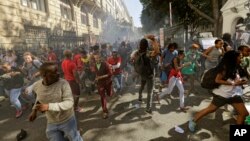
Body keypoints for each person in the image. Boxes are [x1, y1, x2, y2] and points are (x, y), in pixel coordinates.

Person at [188, 50, 249, 132]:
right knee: (211, 109)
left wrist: (241, 82)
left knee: (244, 113)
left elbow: (236, 79)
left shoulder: (236, 66)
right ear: (233, 58)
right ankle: (193, 120)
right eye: (240, 56)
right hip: (222, 95)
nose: (241, 57)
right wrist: (233, 83)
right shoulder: (225, 67)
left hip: (234, 95)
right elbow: (217, 80)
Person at [28, 62, 83, 141]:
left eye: (57, 71)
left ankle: (77, 134)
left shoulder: (63, 83)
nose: (58, 74)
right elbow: (39, 98)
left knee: (74, 138)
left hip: (67, 120)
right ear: (44, 75)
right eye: (53, 73)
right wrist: (34, 111)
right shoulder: (37, 85)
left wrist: (48, 106)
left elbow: (69, 103)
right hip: (52, 121)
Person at [136, 38, 154, 113]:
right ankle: (148, 108)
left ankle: (140, 96)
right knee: (150, 92)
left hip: (142, 73)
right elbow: (150, 64)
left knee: (142, 85)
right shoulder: (147, 53)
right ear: (147, 45)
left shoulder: (138, 52)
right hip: (149, 74)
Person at [93, 53, 113, 119]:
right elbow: (96, 74)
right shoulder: (95, 65)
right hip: (100, 83)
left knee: (109, 94)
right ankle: (105, 111)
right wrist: (96, 79)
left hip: (107, 82)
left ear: (101, 58)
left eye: (98, 58)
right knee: (102, 96)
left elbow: (110, 73)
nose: (97, 59)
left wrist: (100, 77)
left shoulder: (105, 64)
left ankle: (111, 91)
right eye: (95, 58)